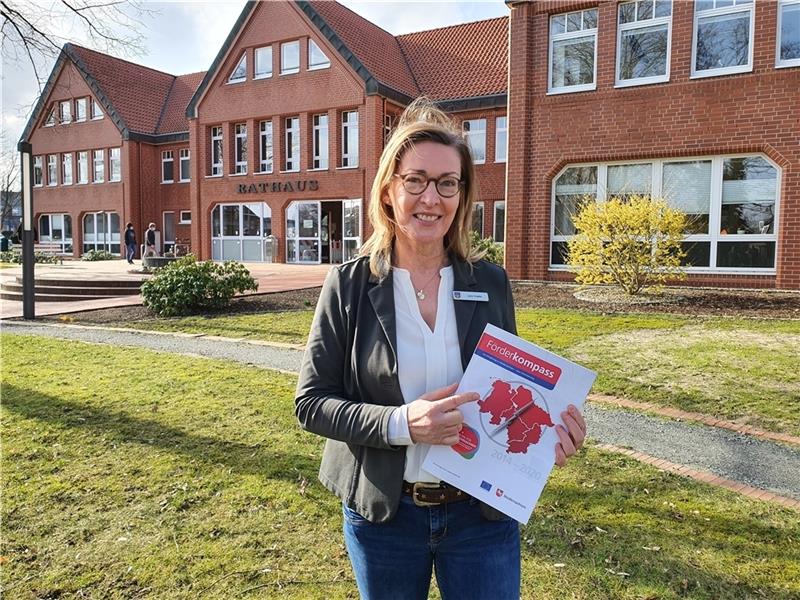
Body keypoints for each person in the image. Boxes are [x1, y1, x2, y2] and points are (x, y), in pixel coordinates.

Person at [295, 98, 587, 600]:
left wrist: (549, 431)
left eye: (447, 183)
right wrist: (403, 424)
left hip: (480, 516)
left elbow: (512, 390)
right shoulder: (348, 285)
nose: (431, 198)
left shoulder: (490, 282)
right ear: (389, 190)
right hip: (386, 516)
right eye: (416, 180)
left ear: (462, 195)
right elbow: (312, 402)